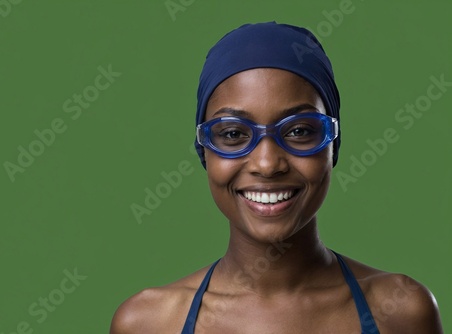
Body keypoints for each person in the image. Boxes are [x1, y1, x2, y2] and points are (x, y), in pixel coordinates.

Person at [110, 22, 443, 333]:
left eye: (299, 131)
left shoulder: (402, 311)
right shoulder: (149, 322)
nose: (268, 164)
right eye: (233, 134)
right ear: (205, 151)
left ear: (332, 145)